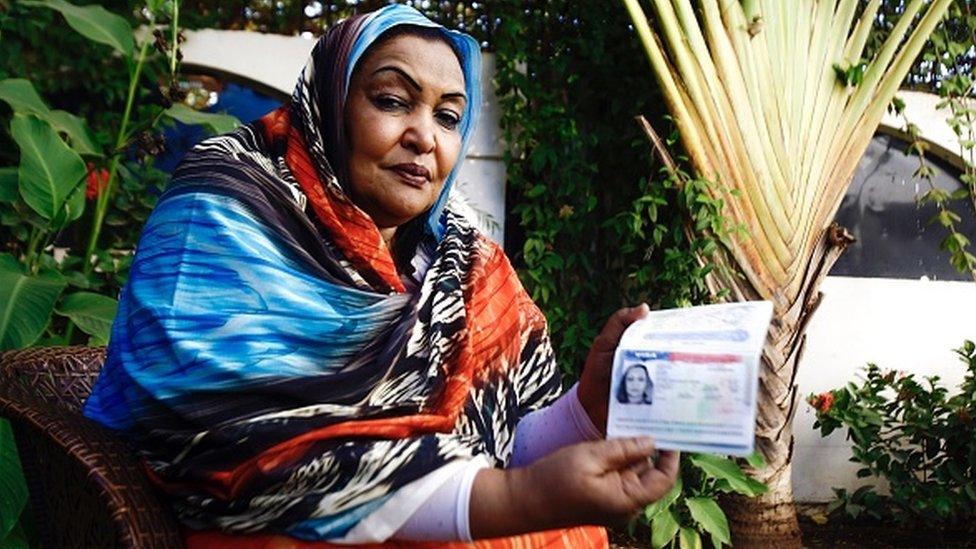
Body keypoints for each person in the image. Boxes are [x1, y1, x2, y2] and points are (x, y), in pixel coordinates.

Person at [82, 5, 678, 547]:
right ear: (330, 105)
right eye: (393, 101)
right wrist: (519, 500)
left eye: (449, 116)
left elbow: (504, 445)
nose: (424, 137)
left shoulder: (468, 262)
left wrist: (588, 409)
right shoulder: (230, 203)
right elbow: (225, 439)